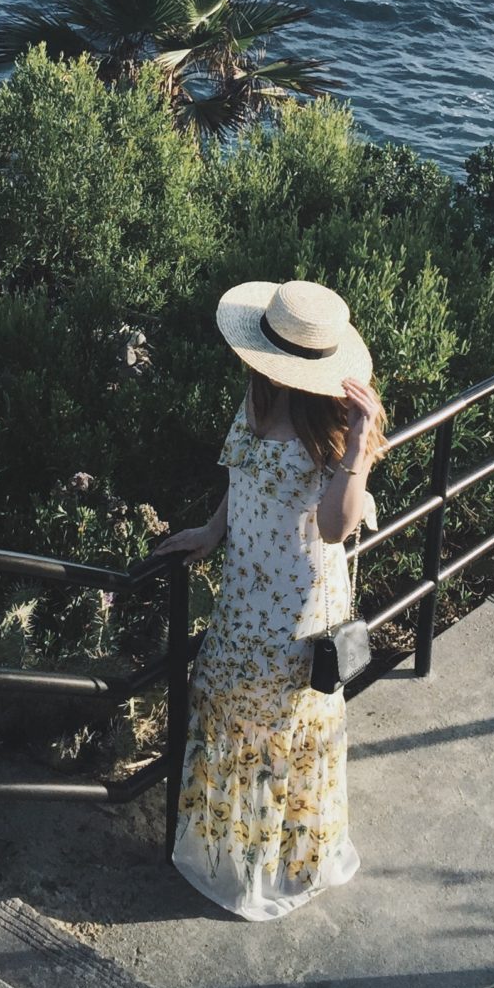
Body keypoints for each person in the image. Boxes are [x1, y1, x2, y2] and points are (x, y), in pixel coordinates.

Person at [154, 277, 386, 921]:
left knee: (283, 730)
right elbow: (241, 476)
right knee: (230, 711)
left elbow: (338, 528)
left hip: (301, 612)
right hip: (245, 599)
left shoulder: (338, 422)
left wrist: (361, 443)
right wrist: (212, 530)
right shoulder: (257, 397)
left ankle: (276, 865)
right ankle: (232, 855)